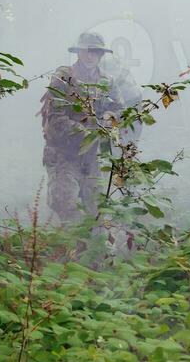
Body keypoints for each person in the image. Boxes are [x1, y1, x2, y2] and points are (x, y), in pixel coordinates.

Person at [40, 32, 129, 222]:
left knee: (97, 211)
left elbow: (120, 109)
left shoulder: (107, 81)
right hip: (64, 153)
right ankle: (70, 245)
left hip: (92, 157)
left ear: (101, 55)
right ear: (79, 52)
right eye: (87, 51)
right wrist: (88, 134)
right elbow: (55, 117)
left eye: (95, 52)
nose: (90, 56)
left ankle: (92, 247)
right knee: (64, 202)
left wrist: (109, 118)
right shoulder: (64, 77)